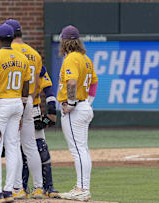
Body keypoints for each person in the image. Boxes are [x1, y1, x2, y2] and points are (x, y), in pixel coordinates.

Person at [0, 23, 31, 202]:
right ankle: (9, 190)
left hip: (0, 104)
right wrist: (23, 108)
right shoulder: (22, 57)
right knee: (12, 147)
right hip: (17, 103)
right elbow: (26, 86)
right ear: (11, 38)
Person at [57, 25, 98, 201]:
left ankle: (82, 188)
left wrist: (73, 103)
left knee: (78, 150)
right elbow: (95, 82)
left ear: (65, 41)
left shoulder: (72, 58)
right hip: (83, 106)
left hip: (75, 109)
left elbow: (72, 83)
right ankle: (82, 187)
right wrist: (87, 102)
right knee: (82, 149)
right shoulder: (85, 58)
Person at [5, 19, 44, 199]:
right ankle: (38, 188)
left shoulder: (7, 52)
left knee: (13, 145)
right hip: (29, 101)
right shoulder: (34, 54)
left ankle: (19, 188)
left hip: (12, 101)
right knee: (30, 147)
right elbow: (35, 85)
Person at [30, 65, 60, 198]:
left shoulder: (35, 62)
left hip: (33, 109)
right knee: (19, 150)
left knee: (41, 147)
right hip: (15, 110)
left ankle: (48, 187)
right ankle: (21, 188)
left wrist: (51, 111)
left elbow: (48, 89)